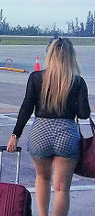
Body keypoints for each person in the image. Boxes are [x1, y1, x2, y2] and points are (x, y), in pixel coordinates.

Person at [7, 38, 90, 216]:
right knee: (61, 189)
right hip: (66, 134)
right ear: (71, 57)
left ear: (49, 55)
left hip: (40, 133)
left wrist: (15, 135)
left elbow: (26, 108)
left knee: (42, 178)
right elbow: (84, 114)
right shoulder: (77, 81)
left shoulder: (36, 78)